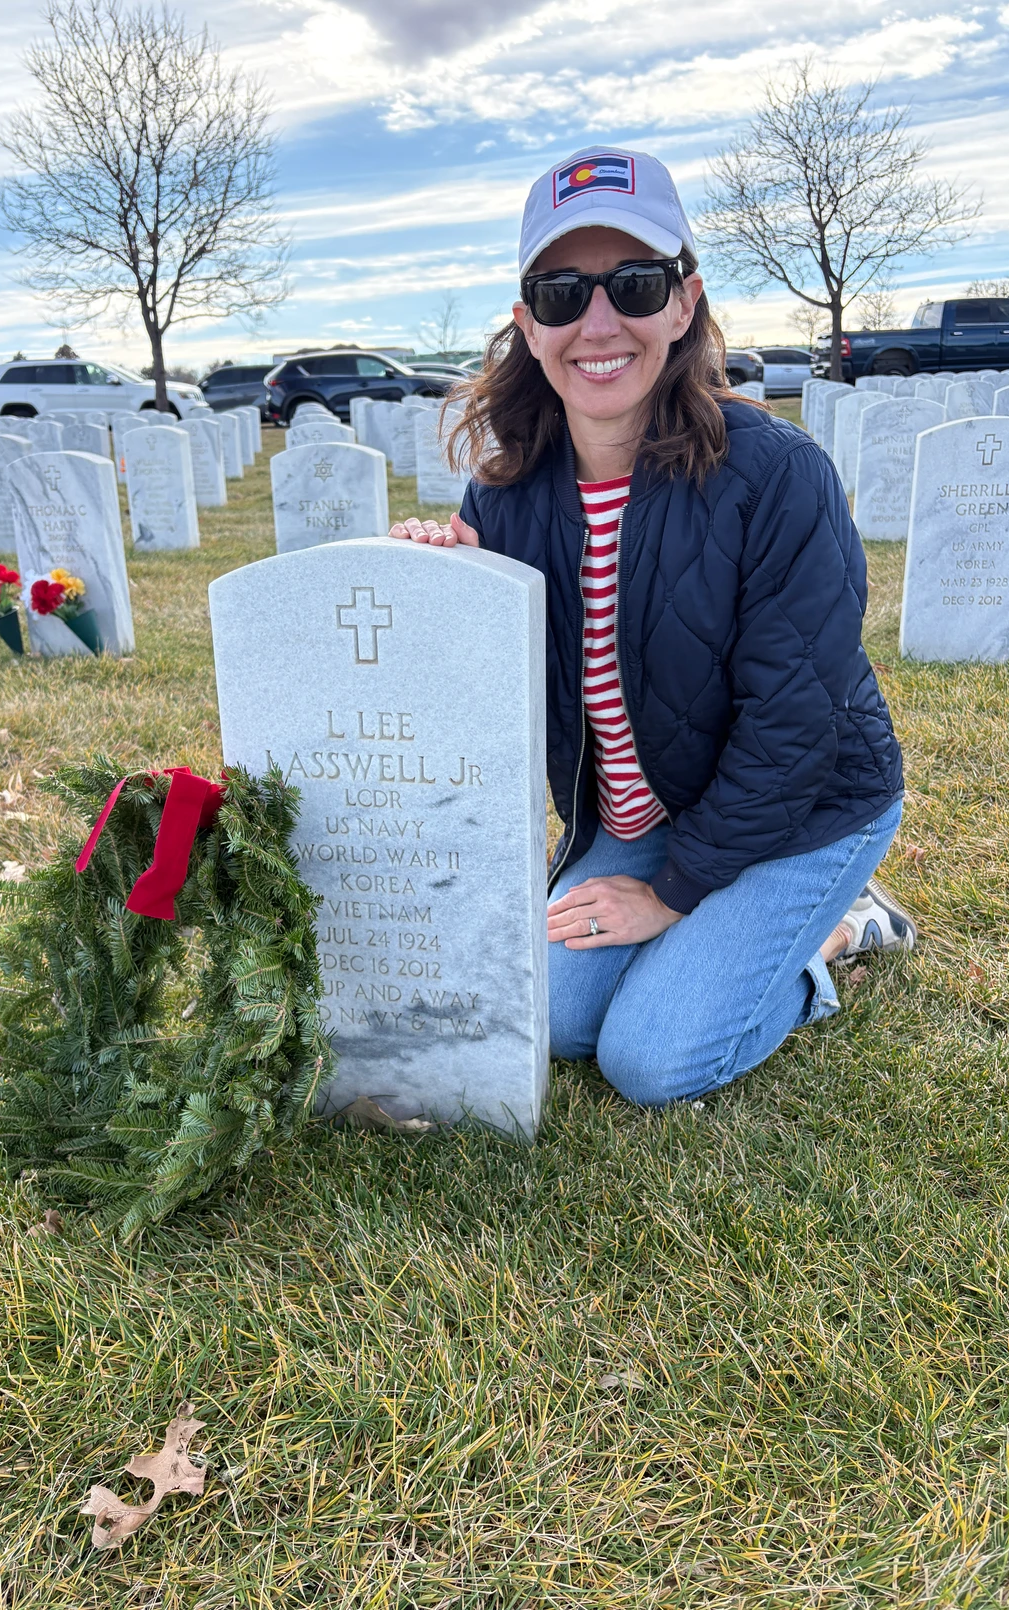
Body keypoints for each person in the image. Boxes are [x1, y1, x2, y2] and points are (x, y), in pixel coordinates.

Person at [390, 147, 911, 1108]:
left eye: (632, 284)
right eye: (559, 294)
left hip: (801, 812)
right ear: (526, 324)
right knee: (551, 1025)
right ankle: (723, 940)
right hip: (644, 815)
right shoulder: (505, 498)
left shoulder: (776, 476)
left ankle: (836, 931)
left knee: (653, 1059)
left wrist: (670, 895)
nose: (598, 323)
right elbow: (481, 698)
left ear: (683, 303)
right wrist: (438, 587)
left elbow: (796, 728)